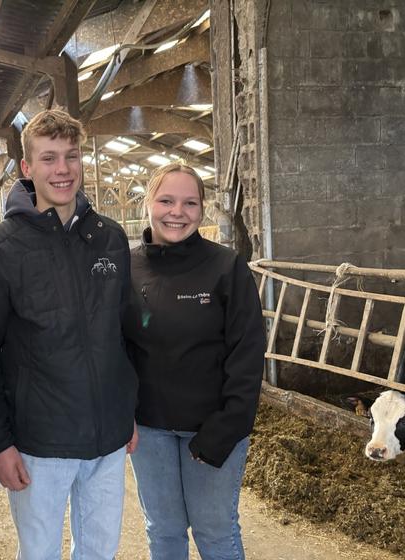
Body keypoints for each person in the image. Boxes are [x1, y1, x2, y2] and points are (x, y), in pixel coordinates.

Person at [0, 109, 138, 560]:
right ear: (26, 168)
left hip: (106, 439)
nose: (62, 169)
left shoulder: (110, 238)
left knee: (100, 551)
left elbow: (123, 332)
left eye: (71, 157)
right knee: (38, 552)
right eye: (49, 158)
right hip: (40, 441)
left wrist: (127, 409)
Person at [123, 162, 265, 560]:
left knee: (214, 531)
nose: (177, 212)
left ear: (202, 209)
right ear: (148, 203)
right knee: (163, 532)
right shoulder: (127, 267)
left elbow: (248, 354)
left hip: (212, 426)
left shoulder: (226, 266)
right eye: (166, 200)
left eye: (189, 202)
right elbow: (118, 347)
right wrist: (123, 413)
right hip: (149, 430)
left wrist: (225, 429)